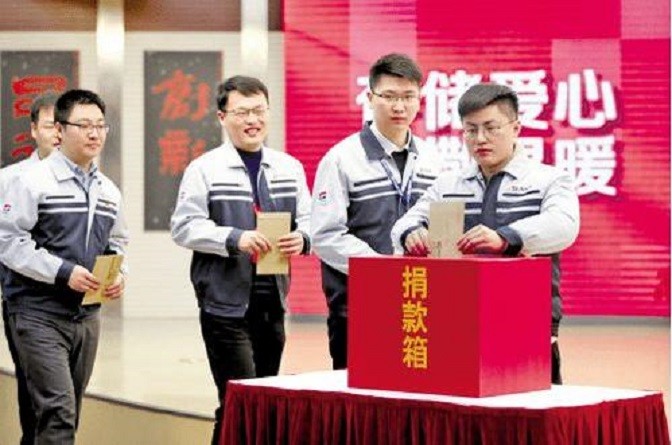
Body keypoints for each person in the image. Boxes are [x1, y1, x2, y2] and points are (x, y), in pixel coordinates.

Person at [391, 83, 580, 384]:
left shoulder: (549, 180)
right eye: (471, 130)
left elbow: (563, 226)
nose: (480, 139)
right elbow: (405, 223)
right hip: (455, 324)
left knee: (528, 405)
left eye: (491, 128)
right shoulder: (448, 185)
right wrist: (411, 233)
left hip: (528, 321)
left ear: (516, 128)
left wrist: (505, 238)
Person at [170, 75, 311, 444]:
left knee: (263, 402)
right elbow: (184, 227)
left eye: (259, 111)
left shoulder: (288, 167)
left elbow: (311, 218)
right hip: (224, 304)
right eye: (243, 112)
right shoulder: (205, 169)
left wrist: (303, 238)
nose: (253, 120)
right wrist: (235, 238)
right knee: (238, 400)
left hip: (272, 301)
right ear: (222, 117)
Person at [0, 89, 129, 445]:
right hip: (37, 312)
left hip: (87, 317)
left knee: (64, 414)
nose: (94, 133)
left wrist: (118, 273)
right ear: (59, 129)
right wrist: (62, 271)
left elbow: (118, 242)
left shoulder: (109, 191)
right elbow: (8, 241)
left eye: (100, 125)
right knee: (58, 412)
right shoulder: (32, 181)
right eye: (84, 125)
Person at [311, 53, 444, 370]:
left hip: (419, 304)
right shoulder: (341, 159)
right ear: (370, 98)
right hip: (357, 305)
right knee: (360, 394)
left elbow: (441, 222)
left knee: (415, 390)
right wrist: (381, 270)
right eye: (389, 96)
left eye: (408, 96)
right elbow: (325, 235)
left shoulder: (433, 158)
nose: (399, 106)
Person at [0, 92, 60, 445]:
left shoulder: (90, 180)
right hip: (24, 302)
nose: (57, 134)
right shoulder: (10, 179)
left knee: (62, 397)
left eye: (63, 126)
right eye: (50, 125)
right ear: (34, 129)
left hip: (72, 305)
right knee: (33, 392)